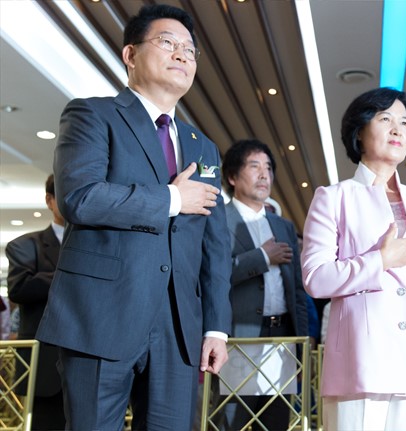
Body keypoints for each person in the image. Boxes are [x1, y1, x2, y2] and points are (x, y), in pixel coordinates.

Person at [35, 5, 232, 430]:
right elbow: (81, 197)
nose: (181, 55)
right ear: (130, 54)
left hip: (178, 329)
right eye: (167, 42)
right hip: (100, 316)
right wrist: (172, 199)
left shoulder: (204, 146)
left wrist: (217, 327)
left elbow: (215, 247)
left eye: (190, 50)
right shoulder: (92, 114)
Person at [301, 87, 406, 431]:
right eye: (385, 119)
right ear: (359, 131)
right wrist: (380, 261)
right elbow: (316, 278)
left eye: (404, 123)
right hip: (360, 360)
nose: (397, 129)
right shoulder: (334, 198)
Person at [217, 139, 309, 430]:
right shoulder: (218, 220)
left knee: (276, 421)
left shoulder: (283, 226)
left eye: (268, 168)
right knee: (232, 421)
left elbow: (296, 292)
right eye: (254, 166)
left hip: (282, 339)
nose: (264, 175)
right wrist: (262, 257)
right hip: (238, 339)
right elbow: (213, 276)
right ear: (232, 177)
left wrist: (302, 344)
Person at [6, 174, 65, 430]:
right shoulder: (24, 246)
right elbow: (19, 288)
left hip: (94, 365)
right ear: (50, 200)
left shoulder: (101, 245)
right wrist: (74, 274)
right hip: (45, 367)